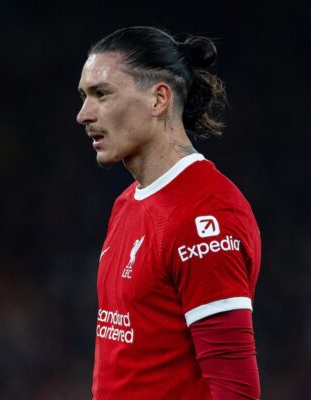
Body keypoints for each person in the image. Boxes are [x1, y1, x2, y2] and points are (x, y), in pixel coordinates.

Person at [76, 26, 262, 400]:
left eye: (102, 94)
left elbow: (236, 391)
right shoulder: (129, 202)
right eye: (84, 96)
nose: (83, 114)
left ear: (159, 99)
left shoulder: (206, 215)